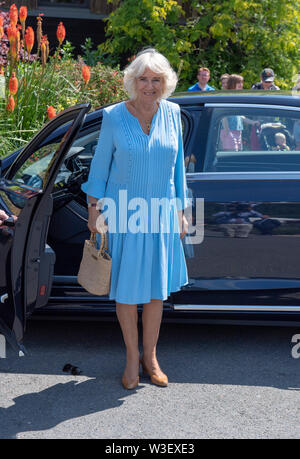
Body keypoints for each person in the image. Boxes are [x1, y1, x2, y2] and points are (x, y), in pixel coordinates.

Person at [81, 49, 189, 390]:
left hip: (159, 214)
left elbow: (178, 171)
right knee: (127, 292)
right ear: (133, 82)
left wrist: (182, 212)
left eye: (156, 79)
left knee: (156, 291)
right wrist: (94, 210)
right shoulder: (114, 116)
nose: (149, 86)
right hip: (122, 213)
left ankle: (151, 357)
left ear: (165, 83)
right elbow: (99, 169)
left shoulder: (173, 113)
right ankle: (131, 356)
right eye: (143, 79)